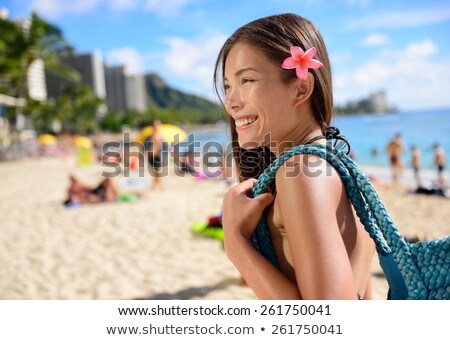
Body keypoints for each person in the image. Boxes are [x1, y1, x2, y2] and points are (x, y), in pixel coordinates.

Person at [214, 13, 375, 299]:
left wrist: (235, 243)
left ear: (301, 88)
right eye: (228, 86)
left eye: (247, 80)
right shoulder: (339, 166)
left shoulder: (302, 173)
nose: (231, 102)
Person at [145, 120, 164, 190]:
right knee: (154, 172)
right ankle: (157, 185)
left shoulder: (161, 137)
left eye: (157, 125)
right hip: (151, 156)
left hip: (158, 156)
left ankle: (158, 186)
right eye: (155, 125)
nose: (156, 127)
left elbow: (164, 147)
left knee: (157, 172)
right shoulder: (149, 137)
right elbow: (146, 147)